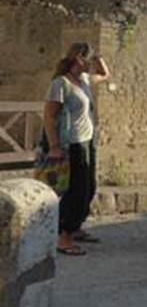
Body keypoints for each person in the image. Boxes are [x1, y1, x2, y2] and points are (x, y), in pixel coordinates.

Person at [43, 42, 111, 256]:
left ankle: (77, 227)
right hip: (71, 142)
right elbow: (49, 116)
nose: (90, 63)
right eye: (87, 58)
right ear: (78, 58)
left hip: (87, 140)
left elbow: (105, 74)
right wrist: (54, 146)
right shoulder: (61, 83)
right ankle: (63, 237)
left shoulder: (83, 81)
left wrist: (98, 57)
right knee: (75, 191)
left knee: (89, 187)